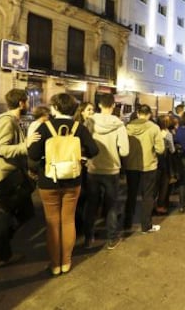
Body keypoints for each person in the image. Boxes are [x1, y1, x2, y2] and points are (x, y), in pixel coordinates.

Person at [28, 93, 98, 276]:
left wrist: (30, 143)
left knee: (52, 222)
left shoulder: (45, 128)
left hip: (49, 180)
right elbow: (94, 150)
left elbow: (34, 155)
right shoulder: (79, 128)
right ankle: (66, 261)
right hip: (73, 179)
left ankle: (55, 264)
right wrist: (81, 157)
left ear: (56, 108)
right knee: (68, 220)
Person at [0, 89, 40, 268]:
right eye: (26, 102)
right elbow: (1, 149)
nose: (28, 105)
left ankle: (2, 246)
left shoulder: (8, 120)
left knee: (24, 213)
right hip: (6, 178)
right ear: (21, 103)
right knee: (9, 214)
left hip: (12, 176)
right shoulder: (7, 121)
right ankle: (3, 251)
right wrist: (26, 144)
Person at [83, 94, 129, 250]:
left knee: (91, 204)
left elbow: (84, 144)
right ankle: (112, 239)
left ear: (100, 105)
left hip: (93, 168)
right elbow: (124, 151)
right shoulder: (119, 125)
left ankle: (88, 238)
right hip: (111, 170)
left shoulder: (89, 121)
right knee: (111, 205)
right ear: (113, 105)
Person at [123, 104, 165, 232]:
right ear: (149, 114)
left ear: (138, 113)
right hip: (149, 166)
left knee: (131, 194)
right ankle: (146, 225)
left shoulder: (128, 127)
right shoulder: (154, 128)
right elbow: (161, 149)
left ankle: (127, 222)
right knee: (148, 195)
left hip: (130, 165)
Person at [73, 102, 95, 235]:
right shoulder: (80, 126)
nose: (92, 112)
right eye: (89, 110)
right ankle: (80, 225)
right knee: (82, 196)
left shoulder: (91, 124)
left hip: (86, 163)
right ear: (81, 112)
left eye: (93, 109)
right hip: (81, 163)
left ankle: (81, 224)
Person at [155, 115, 176, 214]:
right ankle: (160, 205)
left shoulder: (155, 132)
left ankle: (152, 204)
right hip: (165, 161)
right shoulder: (168, 134)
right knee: (164, 184)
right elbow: (172, 150)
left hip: (154, 160)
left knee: (155, 184)